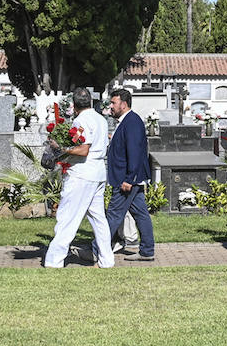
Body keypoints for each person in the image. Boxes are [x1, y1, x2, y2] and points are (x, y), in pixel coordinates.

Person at [41, 89, 114, 268]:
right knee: (99, 220)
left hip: (82, 173)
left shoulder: (81, 120)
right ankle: (107, 259)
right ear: (90, 101)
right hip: (97, 172)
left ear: (74, 105)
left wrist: (60, 148)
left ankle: (54, 260)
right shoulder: (101, 119)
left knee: (68, 217)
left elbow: (83, 150)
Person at [101, 89, 156, 262]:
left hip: (126, 179)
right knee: (140, 213)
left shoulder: (131, 121)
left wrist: (129, 179)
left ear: (123, 104)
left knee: (113, 214)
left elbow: (134, 152)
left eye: (113, 103)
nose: (111, 106)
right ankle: (147, 250)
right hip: (130, 178)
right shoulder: (127, 121)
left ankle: (98, 249)